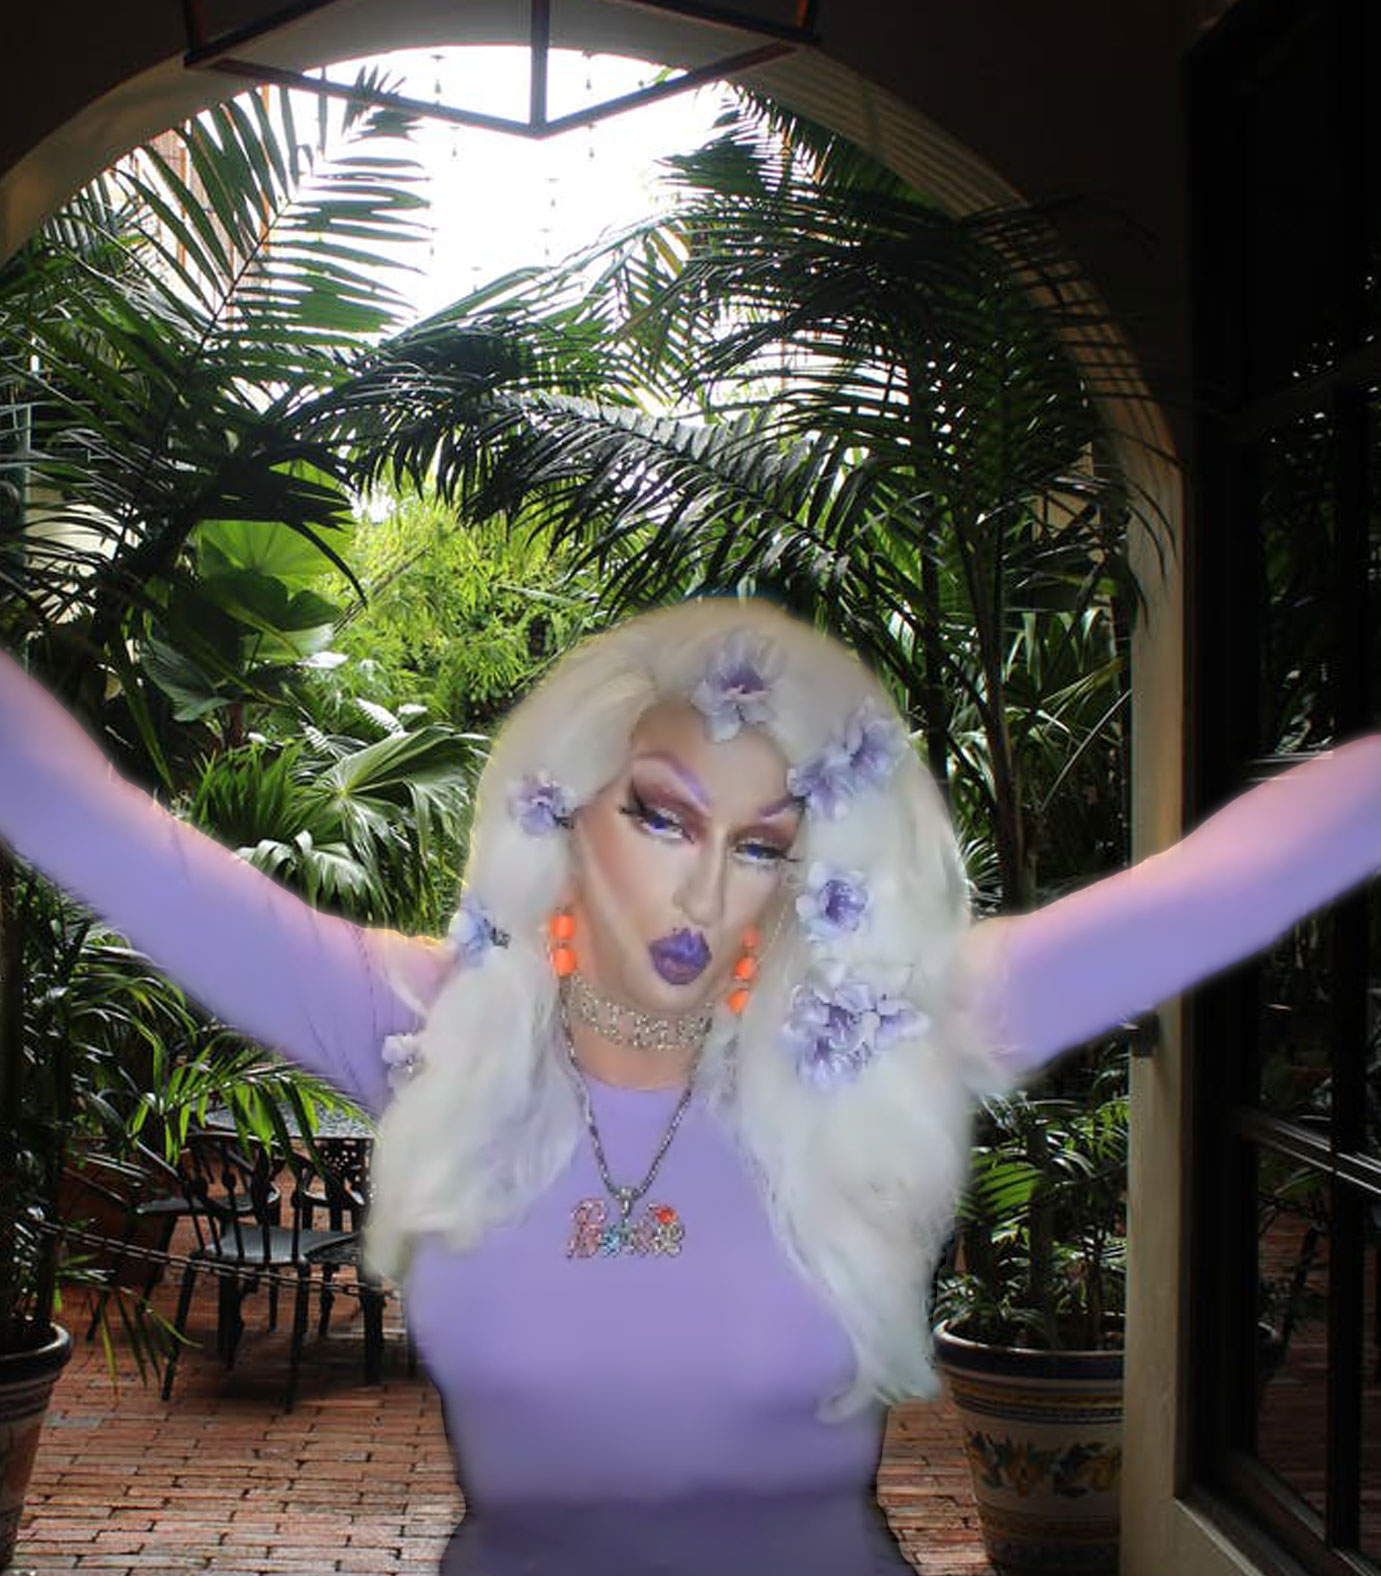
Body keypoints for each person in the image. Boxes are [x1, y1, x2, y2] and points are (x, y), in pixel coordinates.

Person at [1, 595, 1379, 1575]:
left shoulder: (869, 1040)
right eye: (660, 815)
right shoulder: (427, 1020)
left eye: (759, 844)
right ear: (564, 813)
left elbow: (1224, 882)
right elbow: (104, 831)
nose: (705, 886)